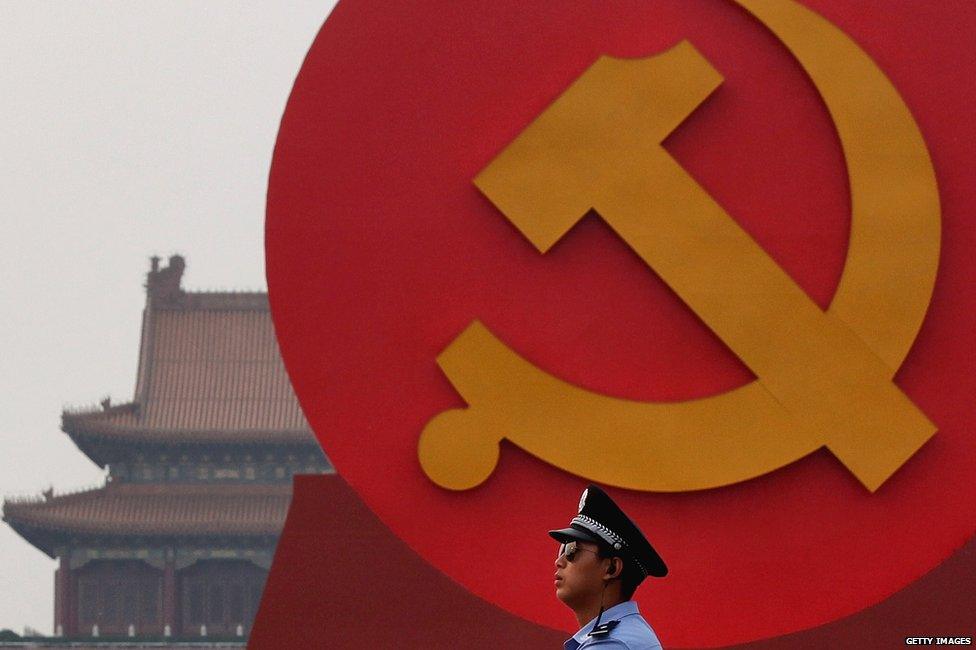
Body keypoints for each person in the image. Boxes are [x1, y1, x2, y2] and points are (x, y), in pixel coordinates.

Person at [550, 484, 668, 649]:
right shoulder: (623, 634)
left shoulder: (611, 644)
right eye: (562, 549)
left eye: (571, 550)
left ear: (612, 568)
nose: (559, 561)